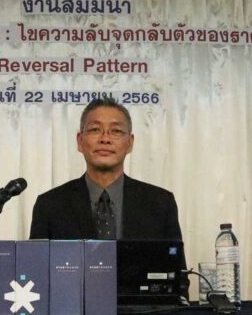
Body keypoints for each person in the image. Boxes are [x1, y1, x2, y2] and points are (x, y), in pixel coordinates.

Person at [29, 97, 183, 242]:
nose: (105, 139)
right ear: (80, 141)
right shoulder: (50, 205)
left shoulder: (161, 204)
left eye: (116, 131)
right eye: (95, 129)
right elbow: (36, 262)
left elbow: (174, 262)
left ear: (130, 143)